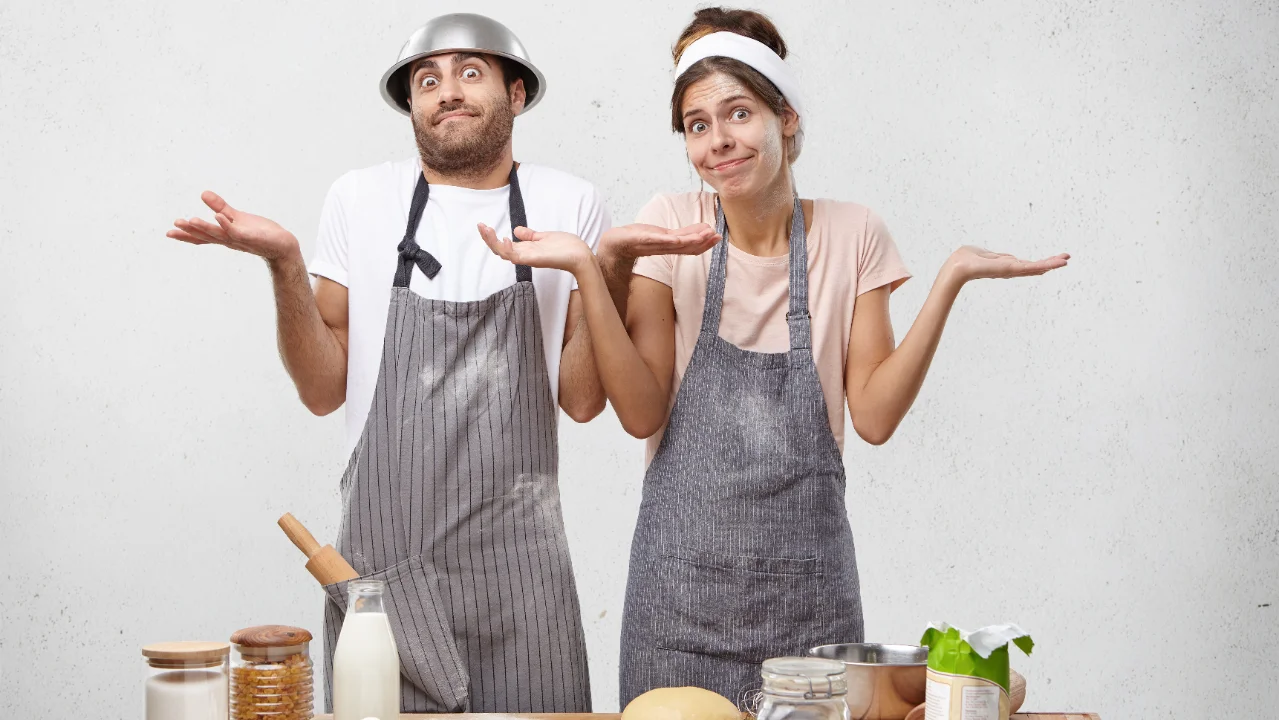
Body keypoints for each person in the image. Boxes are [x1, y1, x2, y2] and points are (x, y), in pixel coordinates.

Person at [478, 6, 1069, 708]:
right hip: (678, 614)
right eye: (697, 125)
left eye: (737, 114)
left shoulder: (855, 234)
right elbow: (638, 414)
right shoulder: (670, 223)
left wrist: (949, 279)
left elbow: (874, 417)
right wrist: (590, 265)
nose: (717, 142)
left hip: (810, 617)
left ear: (785, 117)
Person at [165, 13, 606, 714]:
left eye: (469, 73)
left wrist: (590, 272)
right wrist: (284, 263)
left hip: (524, 587)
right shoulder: (360, 199)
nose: (445, 93)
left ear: (516, 94)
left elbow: (582, 402)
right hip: (387, 587)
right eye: (425, 81)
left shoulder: (570, 203)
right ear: (411, 105)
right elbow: (320, 389)